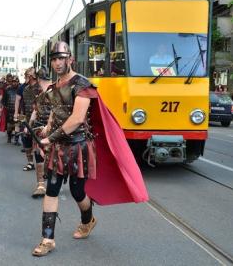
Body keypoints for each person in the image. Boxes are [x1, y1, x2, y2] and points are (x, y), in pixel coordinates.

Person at [32, 42, 148, 257]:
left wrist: (50, 139)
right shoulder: (55, 86)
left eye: (61, 58)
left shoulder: (83, 85)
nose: (57, 63)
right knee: (52, 188)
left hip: (78, 146)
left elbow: (76, 119)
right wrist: (47, 129)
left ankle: (88, 220)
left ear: (70, 59)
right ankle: (47, 239)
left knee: (78, 191)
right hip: (58, 147)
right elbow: (56, 111)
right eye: (54, 59)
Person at [27, 66, 52, 198]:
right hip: (38, 128)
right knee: (38, 154)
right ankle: (41, 185)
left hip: (53, 130)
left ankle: (52, 184)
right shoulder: (38, 92)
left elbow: (59, 112)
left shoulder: (55, 89)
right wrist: (29, 125)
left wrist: (48, 126)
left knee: (52, 156)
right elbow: (35, 110)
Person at [15, 68, 42, 172]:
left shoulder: (40, 88)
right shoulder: (25, 89)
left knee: (38, 144)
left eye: (26, 75)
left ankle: (42, 165)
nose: (25, 77)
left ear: (31, 76)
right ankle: (30, 163)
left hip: (39, 119)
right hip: (27, 118)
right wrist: (20, 117)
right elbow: (24, 105)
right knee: (26, 141)